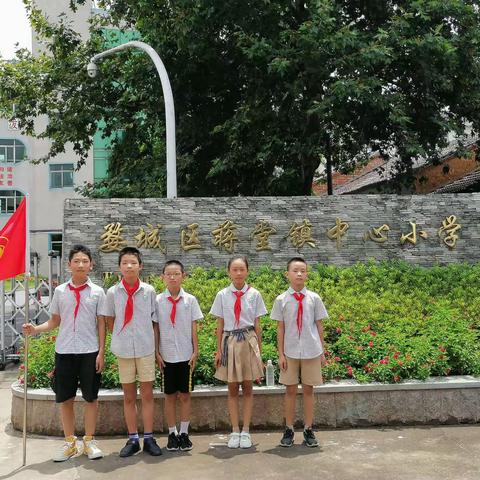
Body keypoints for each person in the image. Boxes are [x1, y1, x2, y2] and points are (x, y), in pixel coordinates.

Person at [22, 244, 106, 461]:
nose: (80, 264)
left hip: (89, 351)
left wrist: (101, 353)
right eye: (76, 261)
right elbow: (55, 321)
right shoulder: (60, 291)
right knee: (65, 399)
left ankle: (88, 442)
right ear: (69, 265)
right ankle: (70, 443)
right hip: (65, 351)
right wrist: (35, 329)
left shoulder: (98, 292)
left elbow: (101, 324)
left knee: (91, 398)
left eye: (84, 261)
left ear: (91, 265)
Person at [102, 246, 161, 457]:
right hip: (123, 349)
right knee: (128, 397)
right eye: (125, 263)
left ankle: (149, 438)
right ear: (119, 267)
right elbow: (110, 320)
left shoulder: (149, 291)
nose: (129, 266)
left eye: (133, 263)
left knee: (147, 394)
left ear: (140, 266)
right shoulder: (112, 292)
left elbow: (155, 321)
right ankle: (133, 438)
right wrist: (120, 336)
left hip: (145, 348)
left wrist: (156, 349)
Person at [270, 257, 328, 448]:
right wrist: (280, 354)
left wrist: (322, 351)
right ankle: (288, 429)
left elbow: (319, 325)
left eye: (303, 270)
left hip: (312, 350)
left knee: (309, 390)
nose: (299, 274)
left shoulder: (314, 298)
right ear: (287, 274)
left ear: (307, 274)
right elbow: (280, 328)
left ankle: (309, 429)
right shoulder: (281, 299)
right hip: (290, 352)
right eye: (295, 270)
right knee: (290, 391)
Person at [211, 256, 267, 449]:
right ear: (229, 272)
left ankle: (246, 431)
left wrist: (259, 350)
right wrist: (218, 349)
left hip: (248, 341)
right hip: (230, 343)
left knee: (248, 388)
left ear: (247, 271)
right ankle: (234, 430)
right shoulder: (222, 295)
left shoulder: (255, 294)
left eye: (242, 269)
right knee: (232, 388)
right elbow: (219, 325)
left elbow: (257, 324)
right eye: (234, 269)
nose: (238, 273)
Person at [155, 260, 203, 451]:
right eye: (169, 274)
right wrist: (157, 352)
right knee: (169, 397)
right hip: (166, 356)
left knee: (185, 395)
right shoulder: (158, 301)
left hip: (185, 355)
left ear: (183, 276)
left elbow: (194, 328)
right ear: (163, 277)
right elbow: (156, 328)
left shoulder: (190, 300)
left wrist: (195, 351)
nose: (173, 277)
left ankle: (184, 433)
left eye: (176, 273)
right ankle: (171, 433)